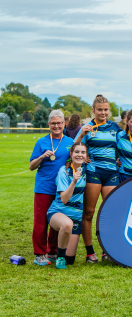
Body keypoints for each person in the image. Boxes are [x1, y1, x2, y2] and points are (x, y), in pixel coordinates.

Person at [75, 94, 123, 263]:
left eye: (105, 110)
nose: (103, 113)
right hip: (94, 173)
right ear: (93, 111)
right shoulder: (87, 128)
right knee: (88, 213)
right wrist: (81, 134)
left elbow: (127, 142)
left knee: (109, 213)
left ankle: (106, 251)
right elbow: (74, 149)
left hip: (111, 173)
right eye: (100, 110)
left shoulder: (114, 127)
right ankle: (90, 253)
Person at [29, 110, 74, 266]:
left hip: (61, 189)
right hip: (43, 187)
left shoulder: (70, 141)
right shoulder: (41, 142)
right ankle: (39, 254)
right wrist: (41, 157)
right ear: (49, 124)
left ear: (64, 124)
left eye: (59, 123)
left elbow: (76, 159)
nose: (56, 126)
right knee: (41, 221)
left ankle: (53, 251)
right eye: (53, 123)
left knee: (57, 221)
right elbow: (31, 166)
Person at [46, 143, 88, 268]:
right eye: (76, 152)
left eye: (83, 152)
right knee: (67, 224)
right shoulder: (63, 171)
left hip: (76, 215)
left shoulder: (87, 169)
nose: (79, 155)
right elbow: (64, 199)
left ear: (86, 156)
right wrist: (74, 182)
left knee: (70, 260)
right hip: (58, 212)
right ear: (71, 154)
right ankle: (59, 258)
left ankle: (63, 256)